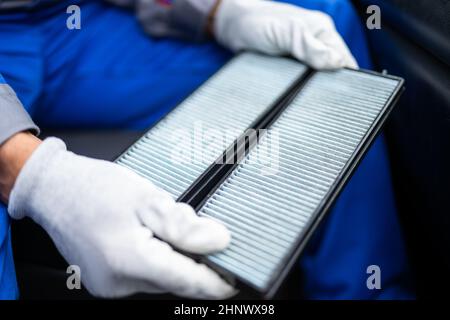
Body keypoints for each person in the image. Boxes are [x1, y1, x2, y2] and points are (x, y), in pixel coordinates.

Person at [0, 0, 413, 299]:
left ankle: (365, 291)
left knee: (324, 18)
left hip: (73, 22)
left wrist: (217, 11)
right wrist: (34, 174)